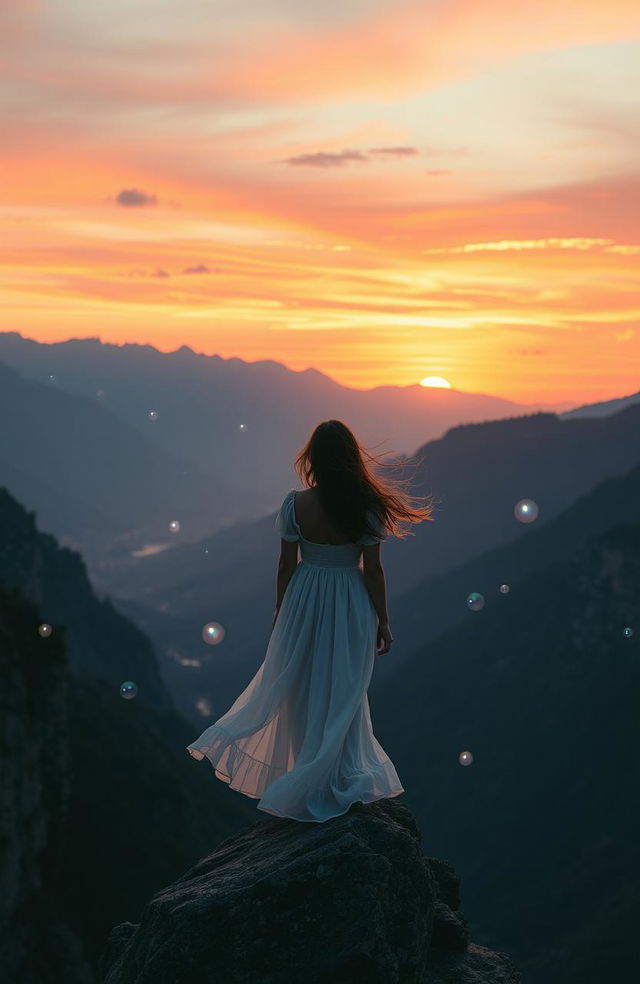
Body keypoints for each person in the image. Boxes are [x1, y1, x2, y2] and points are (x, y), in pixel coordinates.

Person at [186, 419, 435, 822]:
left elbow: (286, 564)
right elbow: (373, 571)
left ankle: (306, 772)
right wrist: (383, 621)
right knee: (345, 687)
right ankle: (337, 776)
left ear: (314, 459)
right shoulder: (366, 507)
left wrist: (281, 611)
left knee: (301, 683)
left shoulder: (295, 504)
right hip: (350, 598)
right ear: (352, 458)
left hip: (304, 595)